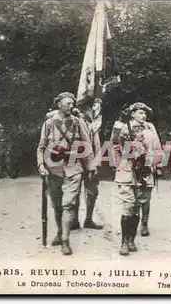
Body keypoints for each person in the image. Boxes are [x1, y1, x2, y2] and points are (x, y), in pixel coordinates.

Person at [36, 92, 96, 256]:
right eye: (67, 103)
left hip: (73, 167)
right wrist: (41, 164)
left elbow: (87, 145)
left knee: (68, 204)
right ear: (59, 105)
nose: (71, 106)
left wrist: (90, 167)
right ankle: (60, 232)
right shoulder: (49, 124)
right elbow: (41, 147)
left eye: (72, 103)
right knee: (57, 205)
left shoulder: (78, 122)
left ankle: (65, 241)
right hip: (53, 168)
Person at [110, 102, 163, 256]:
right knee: (128, 205)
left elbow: (158, 150)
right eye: (140, 113)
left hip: (144, 173)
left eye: (144, 113)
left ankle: (132, 239)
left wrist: (151, 164)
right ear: (132, 114)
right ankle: (124, 242)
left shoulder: (150, 131)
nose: (143, 116)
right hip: (127, 171)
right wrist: (119, 163)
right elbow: (114, 143)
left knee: (138, 206)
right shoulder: (124, 128)